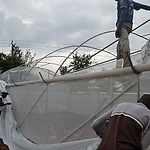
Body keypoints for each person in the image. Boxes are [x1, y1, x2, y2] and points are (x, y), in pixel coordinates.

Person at [115, 0, 150, 68]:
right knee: (120, 45)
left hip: (123, 25)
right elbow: (141, 6)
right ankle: (118, 65)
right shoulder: (130, 1)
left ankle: (127, 65)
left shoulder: (122, 0)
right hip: (129, 25)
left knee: (124, 42)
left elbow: (124, 10)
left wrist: (119, 26)